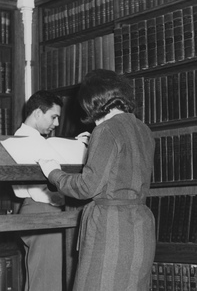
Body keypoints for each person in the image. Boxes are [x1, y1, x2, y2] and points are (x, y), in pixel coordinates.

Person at [38, 69, 156, 291]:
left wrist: (53, 173)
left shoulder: (106, 129)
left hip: (111, 228)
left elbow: (86, 187)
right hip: (140, 226)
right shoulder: (143, 129)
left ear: (94, 101)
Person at [11, 90, 65, 291]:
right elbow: (39, 190)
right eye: (53, 116)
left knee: (43, 277)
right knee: (46, 282)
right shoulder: (26, 141)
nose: (56, 124)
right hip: (42, 210)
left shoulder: (31, 140)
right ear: (37, 113)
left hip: (37, 210)